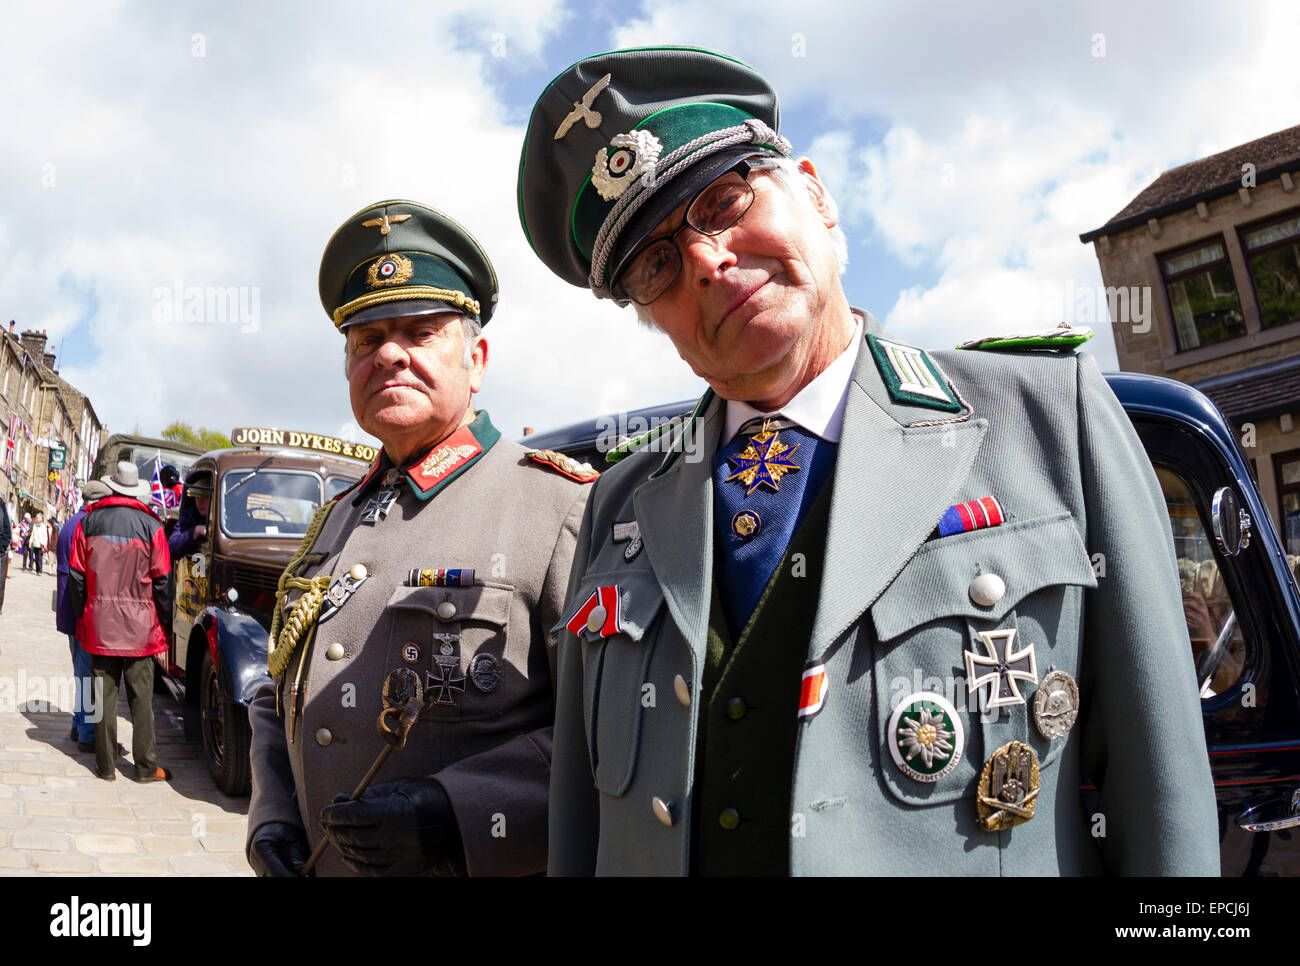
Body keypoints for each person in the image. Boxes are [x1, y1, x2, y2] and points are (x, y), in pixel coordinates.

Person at [517, 46, 1220, 875]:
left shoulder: (1048, 420)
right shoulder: (622, 501)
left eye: (724, 198)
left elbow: (1163, 800)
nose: (706, 260)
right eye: (657, 264)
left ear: (814, 192)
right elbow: (583, 837)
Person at [245, 200, 592, 877]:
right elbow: (274, 691)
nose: (389, 355)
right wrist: (271, 816)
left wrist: (454, 813)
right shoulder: (337, 516)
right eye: (366, 340)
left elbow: (608, 737)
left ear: (477, 359)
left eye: (419, 331)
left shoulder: (557, 507)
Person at [68, 462, 173, 782]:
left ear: (112, 487)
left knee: (104, 697)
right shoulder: (152, 526)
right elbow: (163, 581)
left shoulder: (87, 524)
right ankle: (144, 767)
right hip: (140, 629)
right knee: (142, 700)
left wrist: (82, 615)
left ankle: (105, 764)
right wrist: (164, 622)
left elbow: (76, 576)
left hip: (101, 626)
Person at [57, 480, 113, 751]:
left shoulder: (71, 523)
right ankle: (87, 733)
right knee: (88, 673)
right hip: (82, 612)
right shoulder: (86, 525)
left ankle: (79, 724)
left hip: (70, 610)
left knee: (81, 671)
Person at [168, 479, 211, 559]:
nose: (199, 501)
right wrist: (195, 531)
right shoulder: (190, 515)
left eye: (203, 497)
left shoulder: (227, 519)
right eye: (196, 497)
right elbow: (171, 548)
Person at [0, 497, 10, 616]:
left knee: (0, 582)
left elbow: (7, 532)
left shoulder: (1, 505)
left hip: (0, 553)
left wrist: (1, 546)